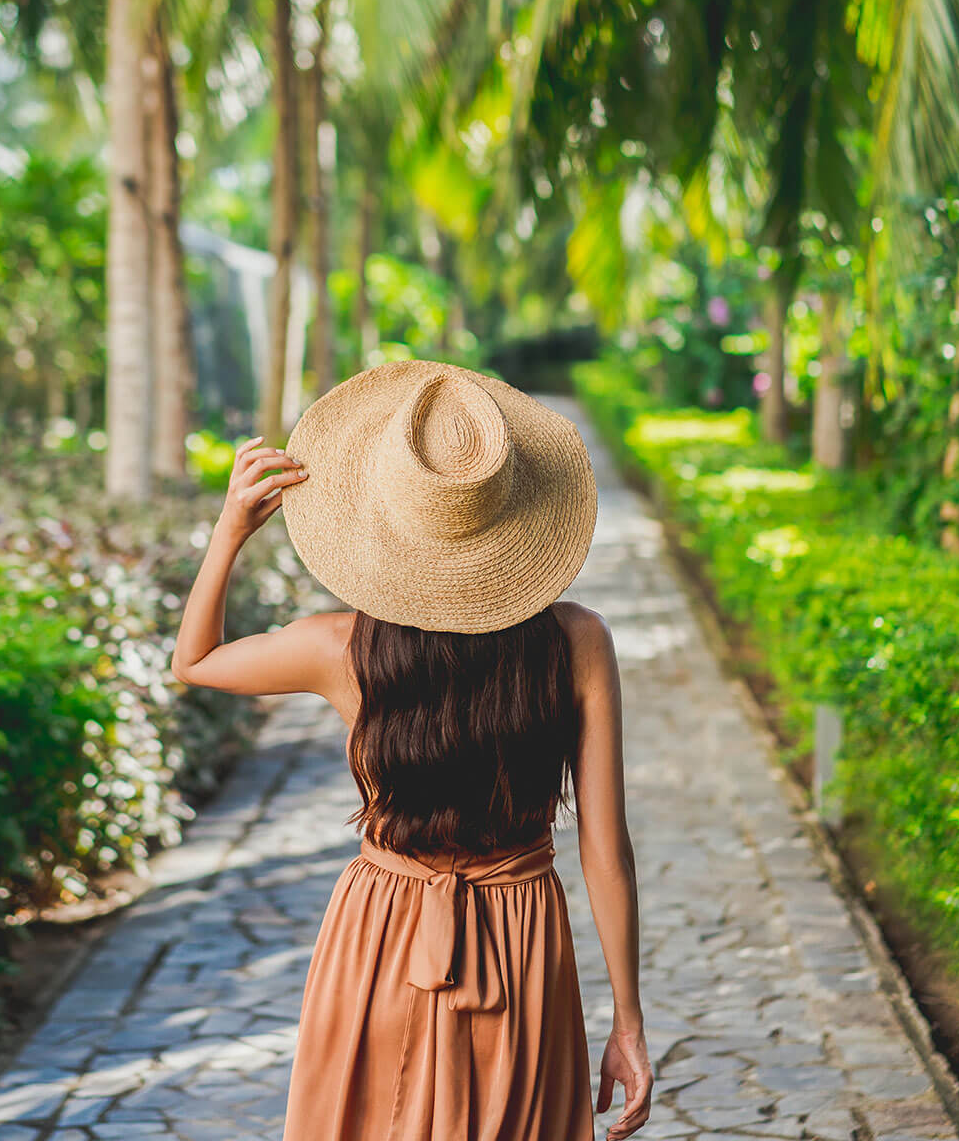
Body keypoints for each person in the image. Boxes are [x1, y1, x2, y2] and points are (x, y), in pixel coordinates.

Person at [172, 359, 653, 1141]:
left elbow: (194, 661)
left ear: (385, 522)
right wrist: (628, 1023)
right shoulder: (579, 642)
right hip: (521, 932)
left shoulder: (339, 648)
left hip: (379, 931)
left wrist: (231, 530)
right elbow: (606, 846)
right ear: (514, 516)